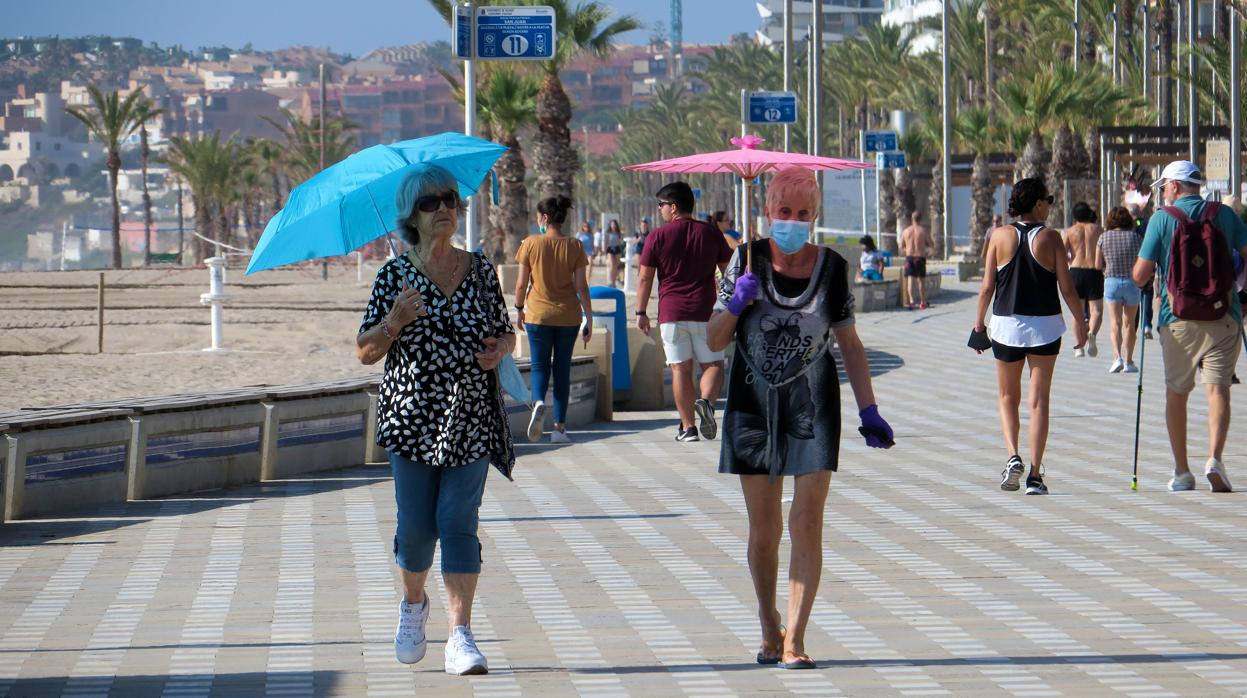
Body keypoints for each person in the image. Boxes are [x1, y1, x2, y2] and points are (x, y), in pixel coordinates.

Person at [707, 167, 893, 669]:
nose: (792, 221)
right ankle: (770, 622)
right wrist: (736, 303)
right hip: (751, 405)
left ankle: (796, 638)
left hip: (813, 404)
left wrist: (869, 409)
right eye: (784, 212)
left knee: (807, 521)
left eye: (802, 213)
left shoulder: (833, 267)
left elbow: (850, 343)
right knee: (764, 529)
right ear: (769, 212)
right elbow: (714, 339)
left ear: (814, 217)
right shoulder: (743, 260)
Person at [355, 164, 516, 676]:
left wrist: (498, 351)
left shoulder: (480, 268)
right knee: (417, 530)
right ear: (411, 216)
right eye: (430, 203)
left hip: (469, 415)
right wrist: (394, 321)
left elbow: (505, 333)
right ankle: (412, 605)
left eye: (449, 198)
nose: (443, 208)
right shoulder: (394, 277)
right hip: (411, 418)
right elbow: (365, 352)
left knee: (457, 522)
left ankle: (460, 635)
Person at [1132, 160, 1247, 493]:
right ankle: (1214, 459)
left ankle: (1182, 471)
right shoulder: (1225, 215)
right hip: (1224, 315)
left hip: (1176, 319)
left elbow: (1140, 274)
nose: (1163, 192)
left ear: (1174, 186)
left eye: (1164, 186)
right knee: (1218, 389)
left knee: (1177, 392)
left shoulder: (1162, 219)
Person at [974, 178, 1088, 496]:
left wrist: (978, 325)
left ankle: (1013, 456)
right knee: (1038, 402)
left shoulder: (998, 236)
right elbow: (1067, 287)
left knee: (1008, 397)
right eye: (1048, 200)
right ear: (1038, 203)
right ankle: (1035, 476)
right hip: (1046, 327)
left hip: (1006, 325)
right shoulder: (1050, 237)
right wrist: (1081, 322)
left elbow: (987, 287)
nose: (1050, 206)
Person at [637, 181, 733, 442]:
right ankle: (707, 404)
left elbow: (645, 278)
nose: (659, 210)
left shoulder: (657, 236)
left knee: (680, 370)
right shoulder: (711, 233)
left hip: (671, 313)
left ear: (674, 207)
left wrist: (641, 311)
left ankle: (688, 427)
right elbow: (730, 272)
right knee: (713, 365)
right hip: (707, 312)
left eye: (661, 205)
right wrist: (730, 307)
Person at [515, 196, 594, 444]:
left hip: (538, 315)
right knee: (561, 370)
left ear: (545, 218)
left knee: (539, 366)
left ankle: (538, 403)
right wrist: (589, 318)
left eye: (539, 216)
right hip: (568, 316)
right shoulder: (575, 245)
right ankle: (559, 429)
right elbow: (582, 286)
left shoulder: (530, 244)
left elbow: (520, 284)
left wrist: (518, 308)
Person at [1097, 206, 1143, 373]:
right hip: (1132, 282)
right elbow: (1142, 261)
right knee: (1130, 324)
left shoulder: (1103, 237)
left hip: (1112, 282)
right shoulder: (1136, 238)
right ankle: (1129, 361)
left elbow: (1097, 265)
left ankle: (1117, 358)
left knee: (1115, 323)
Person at [1063, 202, 1105, 358]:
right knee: (1097, 310)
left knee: (1077, 312)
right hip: (1094, 271)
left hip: (1076, 271)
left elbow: (1063, 252)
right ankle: (1092, 333)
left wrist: (1070, 261)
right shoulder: (1099, 230)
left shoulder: (1070, 231)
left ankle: (1079, 346)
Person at [900, 210, 934, 309]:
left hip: (909, 257)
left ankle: (911, 301)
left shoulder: (906, 231)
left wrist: (908, 248)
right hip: (920, 257)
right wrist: (925, 247)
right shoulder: (923, 231)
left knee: (910, 279)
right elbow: (931, 244)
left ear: (912, 219)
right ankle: (922, 301)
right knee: (921, 280)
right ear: (921, 219)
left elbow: (902, 245)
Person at [604, 218, 625, 288]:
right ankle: (611, 282)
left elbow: (621, 243)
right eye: (612, 224)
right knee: (612, 265)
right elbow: (605, 243)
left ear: (616, 225)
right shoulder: (607, 233)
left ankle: (614, 282)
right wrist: (605, 253)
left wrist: (621, 238)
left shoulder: (618, 233)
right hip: (610, 249)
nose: (613, 225)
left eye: (614, 224)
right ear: (610, 225)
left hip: (617, 249)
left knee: (615, 267)